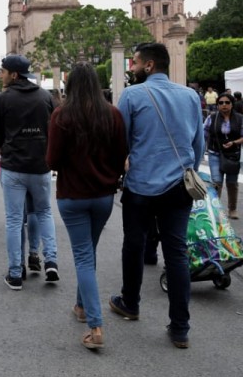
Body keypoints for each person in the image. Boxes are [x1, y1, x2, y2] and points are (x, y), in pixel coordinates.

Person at [110, 43, 204, 349]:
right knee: (176, 253)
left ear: (148, 66)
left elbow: (120, 142)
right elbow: (197, 144)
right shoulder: (190, 96)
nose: (131, 67)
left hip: (140, 185)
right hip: (179, 185)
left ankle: (130, 302)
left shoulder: (133, 96)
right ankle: (180, 328)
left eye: (134, 63)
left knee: (134, 245)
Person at [46, 62, 127, 350]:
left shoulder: (62, 115)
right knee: (87, 252)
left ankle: (95, 325)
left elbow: (52, 161)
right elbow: (121, 156)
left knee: (83, 257)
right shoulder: (113, 114)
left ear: (70, 85)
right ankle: (81, 307)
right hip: (104, 195)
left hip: (72, 195)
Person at [0, 54, 58, 290]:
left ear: (14, 74)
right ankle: (50, 260)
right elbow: (54, 128)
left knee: (14, 219)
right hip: (40, 165)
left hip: (14, 165)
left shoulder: (3, 98)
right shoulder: (45, 96)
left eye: (3, 71)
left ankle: (15, 272)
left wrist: (6, 147)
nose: (1, 74)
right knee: (44, 212)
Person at [203, 91, 243, 218]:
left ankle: (232, 209)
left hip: (233, 154)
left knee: (232, 182)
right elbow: (204, 133)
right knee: (216, 182)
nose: (224, 105)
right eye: (221, 103)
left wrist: (234, 143)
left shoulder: (240, 118)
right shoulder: (211, 118)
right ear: (217, 105)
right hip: (215, 153)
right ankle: (216, 210)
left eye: (227, 102)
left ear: (232, 104)